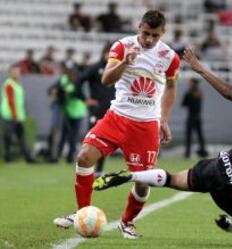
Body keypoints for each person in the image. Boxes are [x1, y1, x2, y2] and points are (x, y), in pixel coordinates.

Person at [93, 48, 232, 243]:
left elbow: (231, 94)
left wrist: (201, 69)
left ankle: (133, 176)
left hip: (216, 166)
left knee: (172, 179)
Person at [54, 10, 180, 240]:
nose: (149, 39)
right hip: (117, 117)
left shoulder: (170, 57)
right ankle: (82, 213)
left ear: (163, 33)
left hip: (146, 125)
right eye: (145, 33)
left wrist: (164, 119)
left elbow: (171, 87)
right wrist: (125, 62)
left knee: (143, 182)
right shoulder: (122, 46)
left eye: (155, 35)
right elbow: (106, 79)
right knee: (84, 157)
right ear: (139, 26)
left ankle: (127, 222)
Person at [77, 43, 115, 177]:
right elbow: (78, 80)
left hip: (111, 111)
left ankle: (99, 170)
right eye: (109, 53)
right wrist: (85, 99)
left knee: (105, 140)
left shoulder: (117, 69)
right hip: (96, 110)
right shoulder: (95, 68)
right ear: (104, 53)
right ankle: (87, 168)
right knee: (93, 139)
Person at [1, 65, 35, 163]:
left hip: (18, 116)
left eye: (18, 72)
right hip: (10, 115)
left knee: (22, 138)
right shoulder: (9, 84)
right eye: (15, 72)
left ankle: (28, 157)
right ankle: (8, 157)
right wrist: (14, 115)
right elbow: (11, 101)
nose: (17, 74)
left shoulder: (17, 84)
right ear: (10, 73)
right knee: (8, 137)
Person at [56, 66, 87, 163]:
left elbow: (78, 94)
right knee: (65, 135)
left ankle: (70, 157)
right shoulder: (66, 82)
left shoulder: (76, 84)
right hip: (68, 112)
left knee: (73, 136)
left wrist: (63, 90)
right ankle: (58, 156)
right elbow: (58, 90)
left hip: (77, 112)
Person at [181, 78, 208, 158]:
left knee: (189, 136)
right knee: (200, 136)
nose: (189, 84)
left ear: (193, 83)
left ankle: (187, 153)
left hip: (191, 117)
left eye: (190, 82)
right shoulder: (200, 93)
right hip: (198, 117)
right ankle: (203, 152)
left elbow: (183, 104)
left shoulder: (189, 93)